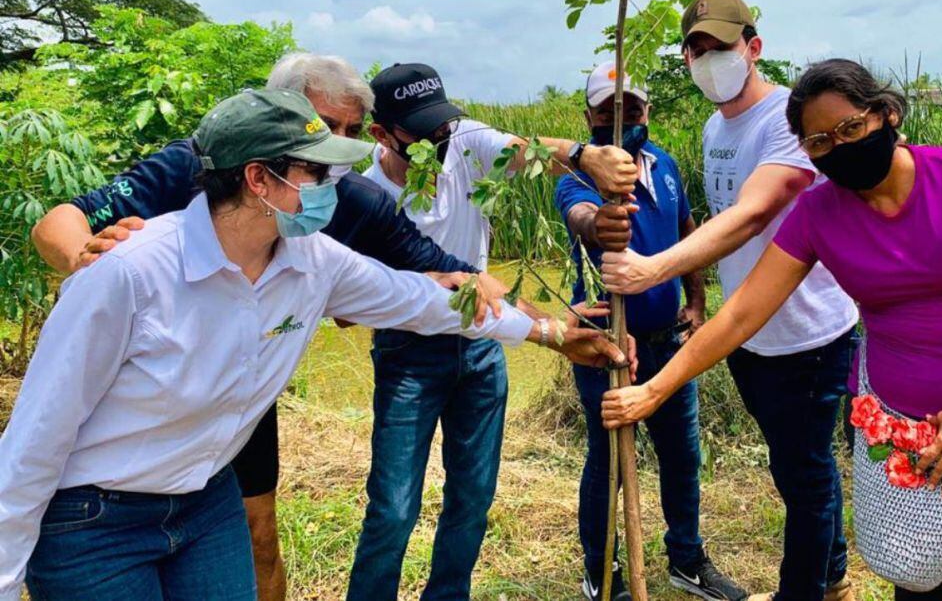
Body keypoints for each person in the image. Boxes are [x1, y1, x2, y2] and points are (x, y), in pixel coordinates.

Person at [0, 88, 627, 601]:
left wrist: (550, 332)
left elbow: (429, 301)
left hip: (205, 498)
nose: (337, 182)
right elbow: (34, 442)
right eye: (317, 169)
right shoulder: (129, 271)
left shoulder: (314, 260)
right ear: (259, 180)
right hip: (95, 518)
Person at [601, 58, 942, 601]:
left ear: (887, 114)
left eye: (851, 129)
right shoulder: (819, 212)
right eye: (820, 142)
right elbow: (742, 313)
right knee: (918, 581)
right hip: (901, 433)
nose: (839, 147)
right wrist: (655, 390)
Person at [596, 0, 859, 601]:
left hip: (809, 333)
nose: (708, 60)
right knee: (799, 465)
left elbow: (751, 213)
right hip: (749, 333)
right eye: (696, 51)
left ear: (753, 47)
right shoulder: (718, 124)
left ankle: (807, 591)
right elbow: (722, 234)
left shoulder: (789, 122)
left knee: (805, 475)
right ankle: (835, 577)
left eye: (720, 47)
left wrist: (651, 269)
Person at [346, 62, 639, 601]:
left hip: (481, 352)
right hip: (408, 355)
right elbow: (351, 308)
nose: (438, 142)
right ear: (381, 134)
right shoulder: (359, 192)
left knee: (473, 496)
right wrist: (545, 326)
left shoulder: (463, 143)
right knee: (392, 506)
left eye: (443, 127)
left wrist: (584, 156)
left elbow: (526, 150)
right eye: (420, 134)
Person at [554, 62, 742, 601]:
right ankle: (602, 572)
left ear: (647, 111)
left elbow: (688, 231)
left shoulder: (664, 165)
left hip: (668, 343)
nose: (620, 117)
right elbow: (582, 216)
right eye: (607, 108)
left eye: (630, 106)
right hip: (605, 348)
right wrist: (600, 223)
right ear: (587, 115)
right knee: (609, 461)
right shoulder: (578, 176)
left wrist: (699, 300)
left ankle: (687, 559)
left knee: (682, 455)